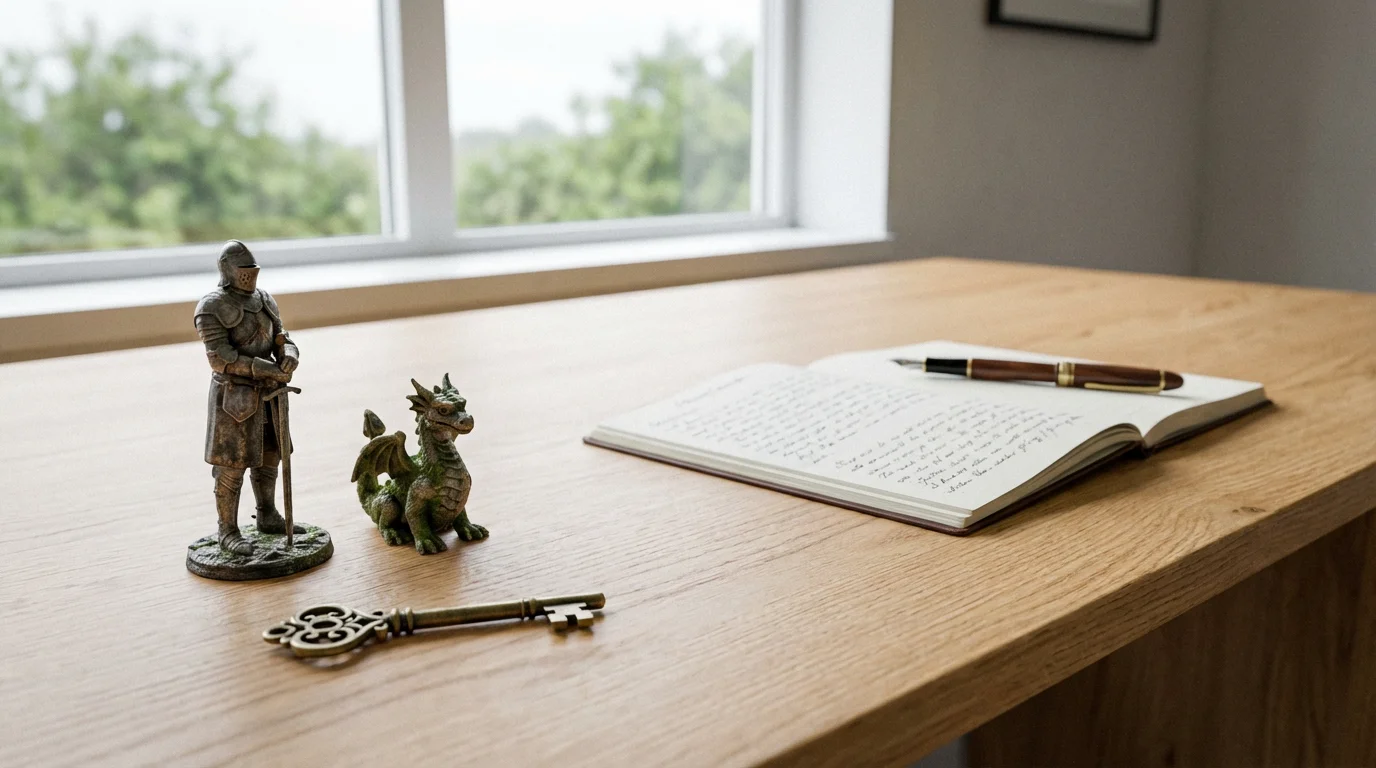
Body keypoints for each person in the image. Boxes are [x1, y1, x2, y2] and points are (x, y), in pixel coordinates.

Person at [193, 240, 303, 555]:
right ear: (228, 270)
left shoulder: (265, 299)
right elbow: (220, 358)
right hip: (235, 397)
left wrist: (289, 354)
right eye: (243, 269)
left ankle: (267, 515)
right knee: (231, 467)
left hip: (271, 394)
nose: (249, 275)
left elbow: (280, 335)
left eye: (252, 269)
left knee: (270, 456)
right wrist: (264, 367)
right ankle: (227, 530)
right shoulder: (212, 307)